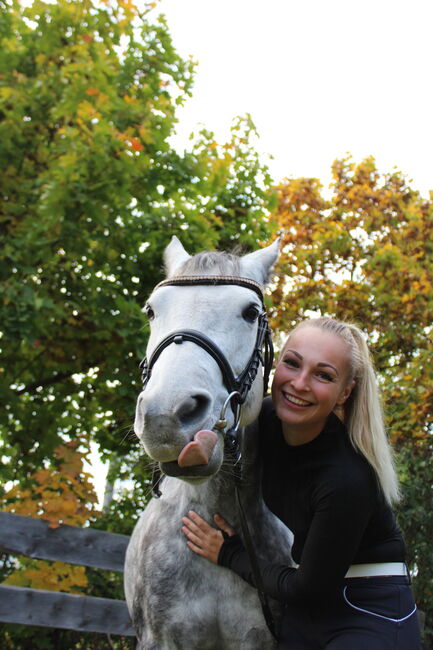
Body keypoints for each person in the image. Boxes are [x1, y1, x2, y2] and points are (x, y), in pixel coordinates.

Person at [181, 317, 422, 649]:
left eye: (323, 375)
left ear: (344, 393)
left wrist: (228, 554)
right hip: (306, 607)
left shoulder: (346, 479)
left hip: (369, 607)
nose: (299, 383)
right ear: (276, 364)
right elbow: (225, 426)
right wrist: (206, 444)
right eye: (292, 364)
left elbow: (309, 589)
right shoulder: (267, 419)